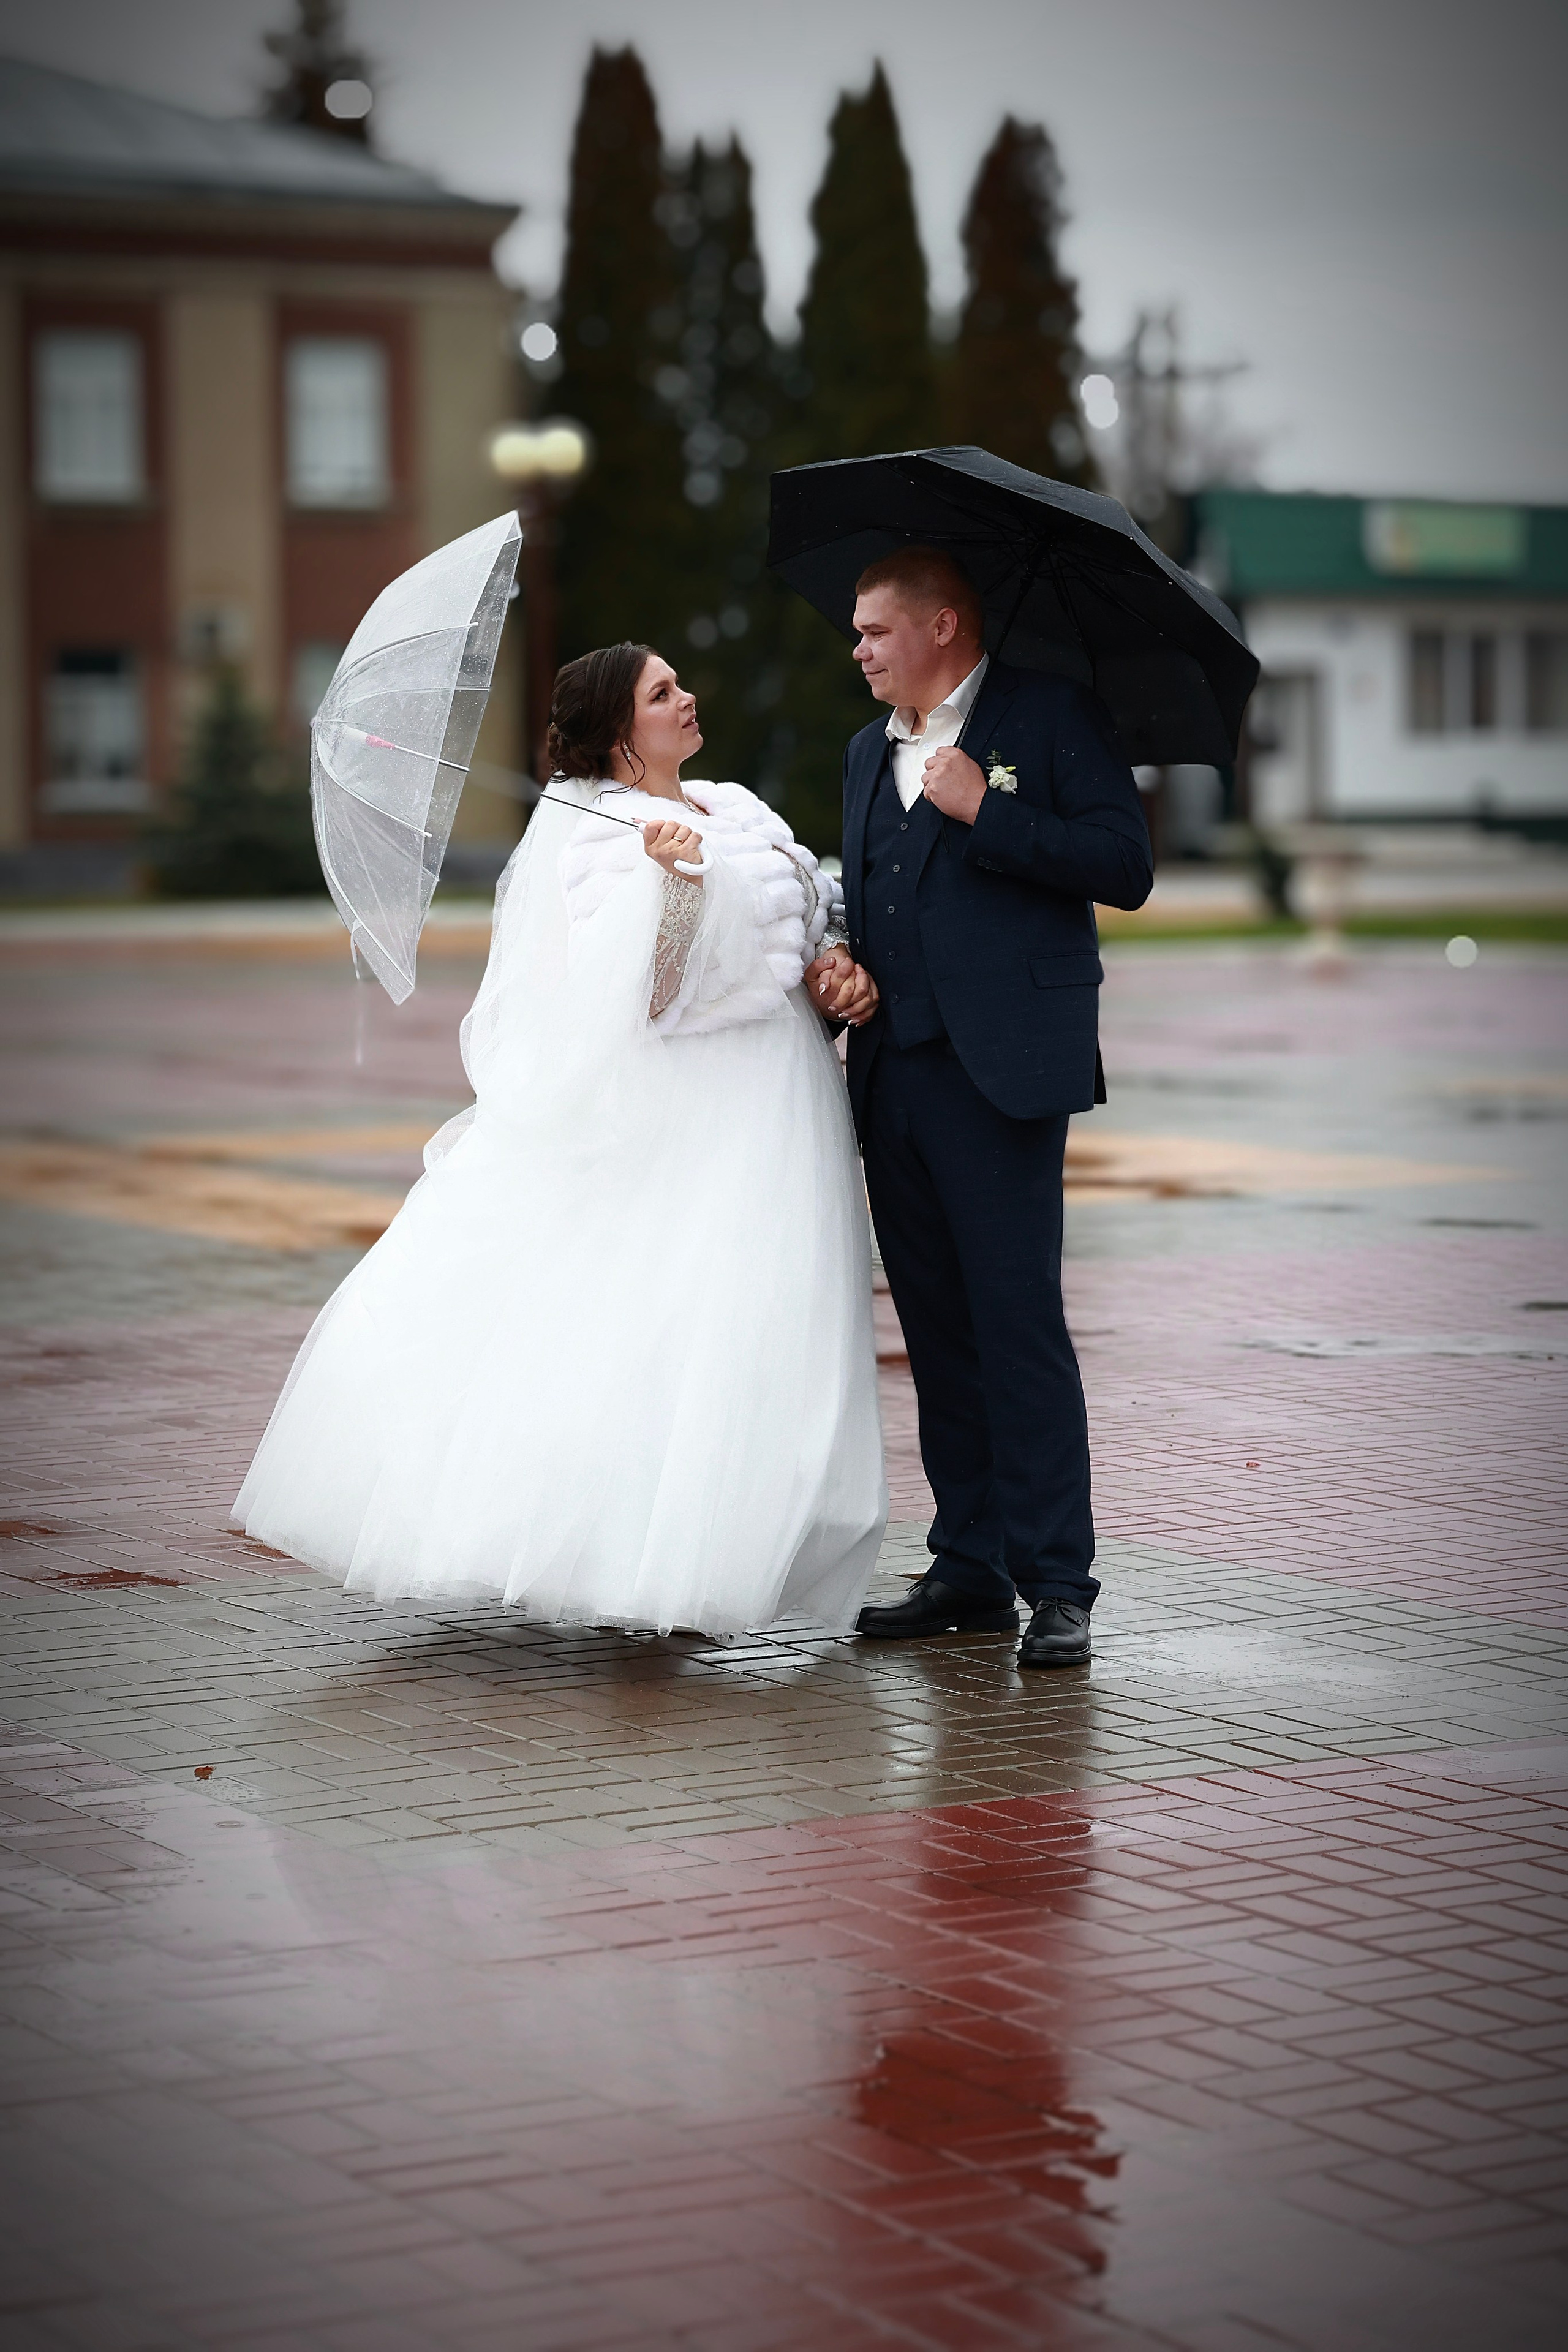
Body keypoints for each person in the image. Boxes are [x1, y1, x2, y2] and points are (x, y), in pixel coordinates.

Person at [236, 644, 888, 1640]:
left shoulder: (737, 805)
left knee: (757, 1335)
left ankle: (724, 1553)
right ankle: (640, 1567)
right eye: (662, 693)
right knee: (677, 1335)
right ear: (619, 737)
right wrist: (669, 890)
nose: (688, 698)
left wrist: (834, 964)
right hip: (693, 1114)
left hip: (781, 1101)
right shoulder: (592, 841)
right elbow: (646, 1001)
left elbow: (807, 910)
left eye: (679, 684)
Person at [804, 546, 1153, 1668]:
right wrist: (846, 962)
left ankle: (1058, 1582)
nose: (856, 649)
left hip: (1004, 1073)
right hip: (893, 1074)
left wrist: (985, 807)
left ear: (943, 625)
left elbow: (1125, 863)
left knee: (1016, 1329)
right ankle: (969, 1565)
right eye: (856, 632)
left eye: (874, 630)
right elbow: (871, 892)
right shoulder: (866, 752)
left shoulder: (1050, 717)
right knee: (938, 1333)